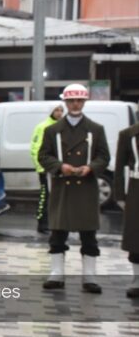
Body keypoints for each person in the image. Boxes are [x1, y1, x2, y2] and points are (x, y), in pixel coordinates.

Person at [38, 84, 109, 293]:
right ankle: (56, 274)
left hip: (85, 188)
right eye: (71, 101)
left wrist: (91, 167)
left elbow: (104, 156)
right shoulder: (53, 130)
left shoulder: (96, 129)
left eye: (79, 100)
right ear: (65, 103)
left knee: (89, 235)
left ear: (84, 102)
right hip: (63, 187)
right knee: (58, 234)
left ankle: (89, 277)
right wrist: (61, 167)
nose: (75, 104)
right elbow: (43, 155)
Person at [114, 121, 139, 298]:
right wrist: (120, 195)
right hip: (136, 188)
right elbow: (119, 167)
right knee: (135, 235)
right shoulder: (128, 134)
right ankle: (137, 280)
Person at [31, 104, 64, 233]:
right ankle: (42, 224)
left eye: (61, 110)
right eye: (57, 110)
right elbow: (35, 148)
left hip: (58, 168)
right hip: (46, 169)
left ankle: (55, 223)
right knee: (45, 196)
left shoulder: (62, 126)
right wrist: (41, 167)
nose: (59, 113)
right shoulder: (43, 126)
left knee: (57, 196)